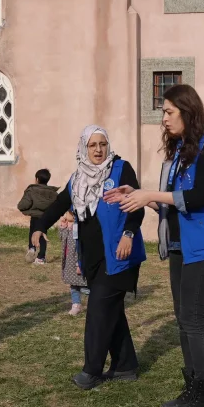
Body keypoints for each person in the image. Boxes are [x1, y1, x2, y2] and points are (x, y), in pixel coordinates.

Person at [108, 84, 204, 407]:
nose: (163, 118)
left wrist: (151, 192)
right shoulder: (181, 151)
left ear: (187, 111)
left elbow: (198, 198)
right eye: (163, 112)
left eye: (169, 112)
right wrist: (139, 195)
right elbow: (174, 204)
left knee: (194, 320)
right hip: (181, 245)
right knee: (183, 319)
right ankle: (193, 387)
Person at [34, 125, 145, 390]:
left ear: (108, 146)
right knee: (111, 311)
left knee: (98, 310)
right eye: (92, 145)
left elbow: (137, 205)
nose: (98, 150)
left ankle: (91, 370)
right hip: (92, 258)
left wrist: (128, 234)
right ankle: (126, 365)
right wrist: (39, 227)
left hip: (119, 255)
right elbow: (60, 204)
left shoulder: (121, 169)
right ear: (84, 148)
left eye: (102, 144)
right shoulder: (78, 178)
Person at [18, 168, 59, 265]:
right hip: (46, 218)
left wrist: (26, 211)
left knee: (33, 232)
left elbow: (23, 205)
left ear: (37, 179)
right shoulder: (53, 193)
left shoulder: (32, 190)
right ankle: (41, 257)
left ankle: (32, 248)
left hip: (35, 217)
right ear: (48, 180)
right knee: (43, 235)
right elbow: (56, 206)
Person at [57, 212, 88, 316]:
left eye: (67, 213)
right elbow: (61, 238)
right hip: (68, 261)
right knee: (73, 285)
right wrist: (62, 227)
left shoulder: (79, 228)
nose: (64, 215)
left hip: (77, 262)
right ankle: (76, 304)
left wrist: (79, 263)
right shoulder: (69, 227)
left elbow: (81, 248)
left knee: (85, 285)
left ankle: (98, 301)